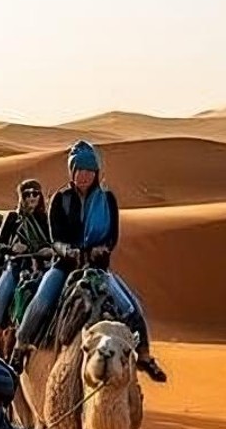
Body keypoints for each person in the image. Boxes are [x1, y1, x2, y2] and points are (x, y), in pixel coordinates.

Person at [12, 141, 166, 381]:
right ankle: (20, 347)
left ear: (96, 173)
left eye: (89, 171)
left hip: (98, 268)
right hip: (65, 266)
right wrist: (68, 251)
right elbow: (55, 240)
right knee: (42, 300)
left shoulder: (108, 200)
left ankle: (144, 355)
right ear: (71, 171)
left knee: (131, 307)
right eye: (79, 170)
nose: (84, 176)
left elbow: (113, 236)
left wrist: (102, 249)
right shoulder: (60, 199)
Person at [0, 180, 55, 340]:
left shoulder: (47, 219)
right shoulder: (13, 218)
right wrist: (12, 249)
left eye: (35, 193)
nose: (31, 197)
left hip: (43, 268)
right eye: (27, 194)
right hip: (16, 267)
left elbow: (56, 243)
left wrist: (50, 250)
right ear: (21, 197)